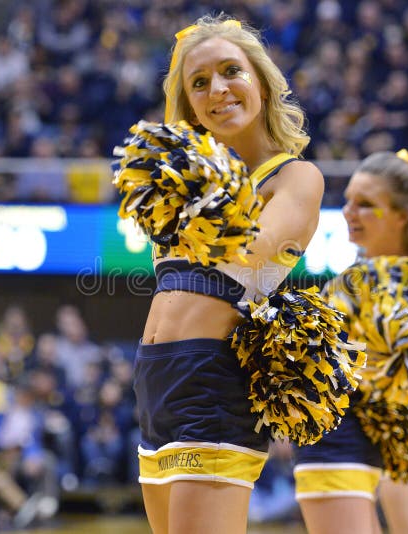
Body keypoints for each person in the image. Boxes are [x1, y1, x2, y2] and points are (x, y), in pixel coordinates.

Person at [128, 15, 323, 534]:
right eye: (198, 82)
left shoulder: (294, 177)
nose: (218, 89)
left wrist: (200, 185)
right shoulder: (185, 185)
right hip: (155, 379)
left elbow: (254, 253)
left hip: (212, 378)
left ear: (259, 80)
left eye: (230, 71)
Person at [294, 149, 408, 534]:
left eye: (367, 204)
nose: (349, 212)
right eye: (348, 201)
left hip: (388, 445)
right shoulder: (358, 284)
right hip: (345, 444)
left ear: (403, 216)